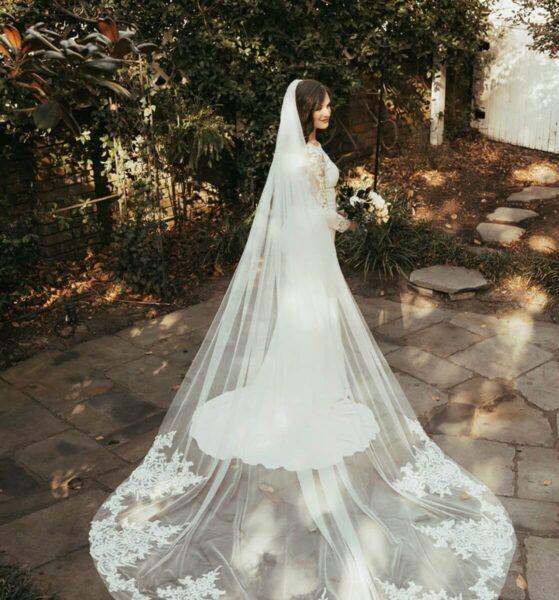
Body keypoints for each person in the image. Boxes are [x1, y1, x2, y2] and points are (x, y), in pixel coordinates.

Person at [89, 79, 516, 600]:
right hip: (315, 252)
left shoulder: (300, 155)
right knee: (316, 320)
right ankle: (307, 396)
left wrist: (349, 213)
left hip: (306, 255)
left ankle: (303, 388)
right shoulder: (308, 159)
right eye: (326, 105)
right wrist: (359, 216)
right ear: (308, 110)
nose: (331, 111)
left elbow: (298, 215)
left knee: (306, 322)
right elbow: (319, 213)